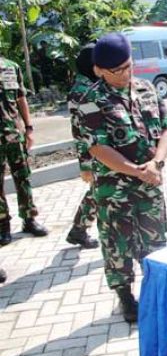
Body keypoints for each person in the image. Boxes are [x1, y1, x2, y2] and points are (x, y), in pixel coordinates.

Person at [75, 32, 167, 322]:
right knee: (117, 245)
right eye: (116, 70)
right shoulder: (89, 101)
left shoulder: (146, 89)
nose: (124, 74)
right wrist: (138, 171)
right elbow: (98, 147)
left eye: (128, 66)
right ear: (98, 70)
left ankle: (156, 291)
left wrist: (157, 162)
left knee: (155, 242)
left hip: (150, 183)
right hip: (113, 191)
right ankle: (125, 297)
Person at [0, 53, 48, 245]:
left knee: (23, 178)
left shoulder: (11, 67)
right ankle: (3, 226)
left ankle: (29, 219)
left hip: (14, 135)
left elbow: (21, 99)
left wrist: (29, 128)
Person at [66, 43, 100, 249]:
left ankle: (78, 229)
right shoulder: (83, 90)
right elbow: (86, 131)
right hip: (91, 150)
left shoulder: (86, 84)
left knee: (98, 190)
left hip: (94, 149)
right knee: (99, 190)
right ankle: (79, 229)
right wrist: (86, 164)